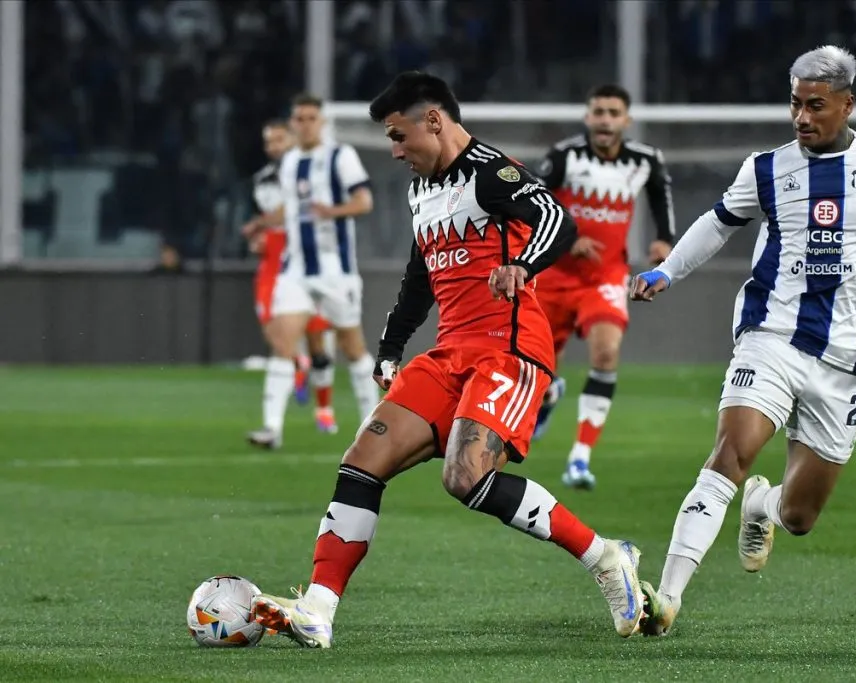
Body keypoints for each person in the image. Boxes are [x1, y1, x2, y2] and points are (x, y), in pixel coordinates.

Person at [249, 72, 644, 648]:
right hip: (448, 352)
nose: (395, 150)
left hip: (508, 351)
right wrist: (390, 345)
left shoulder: (491, 171)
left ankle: (606, 558)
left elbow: (559, 221)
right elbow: (420, 274)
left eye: (398, 135)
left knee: (464, 478)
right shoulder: (421, 191)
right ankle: (318, 609)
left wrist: (522, 266)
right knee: (362, 460)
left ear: (433, 120)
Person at [630, 45, 856, 636]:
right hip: (773, 335)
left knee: (800, 516)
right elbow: (716, 224)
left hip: (849, 361)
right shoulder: (766, 168)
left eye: (815, 106)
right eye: (794, 104)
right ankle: (667, 598)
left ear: (846, 104)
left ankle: (761, 506)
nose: (802, 117)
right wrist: (664, 272)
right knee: (729, 453)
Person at [532, 84, 675, 490]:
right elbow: (534, 203)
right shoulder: (563, 157)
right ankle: (548, 392)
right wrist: (567, 237)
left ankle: (579, 458)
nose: (605, 120)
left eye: (614, 112)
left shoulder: (645, 160)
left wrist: (664, 238)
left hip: (607, 276)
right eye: (598, 112)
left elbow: (660, 195)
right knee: (534, 367)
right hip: (553, 276)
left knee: (607, 350)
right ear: (587, 117)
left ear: (626, 121)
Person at [244, 94, 380, 449]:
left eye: (310, 118)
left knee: (352, 347)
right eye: (298, 118)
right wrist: (260, 224)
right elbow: (290, 209)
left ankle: (373, 427)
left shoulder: (341, 156)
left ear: (322, 122)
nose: (304, 124)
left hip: (337, 271)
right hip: (296, 269)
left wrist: (331, 211)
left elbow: (365, 202)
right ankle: (271, 428)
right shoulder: (289, 163)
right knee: (283, 342)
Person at [243, 119, 338, 431]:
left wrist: (261, 223)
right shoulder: (262, 179)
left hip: (308, 261)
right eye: (268, 142)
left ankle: (324, 409)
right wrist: (259, 235)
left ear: (292, 140)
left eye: (279, 140)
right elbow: (268, 219)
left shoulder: (313, 172)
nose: (273, 147)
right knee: (275, 333)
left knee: (317, 343)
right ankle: (295, 374)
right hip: (273, 260)